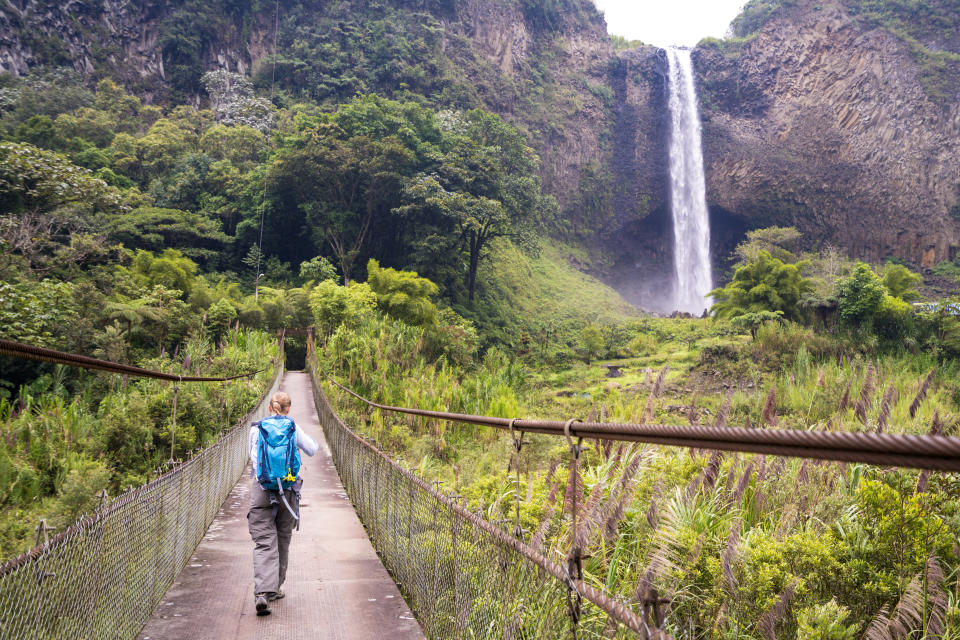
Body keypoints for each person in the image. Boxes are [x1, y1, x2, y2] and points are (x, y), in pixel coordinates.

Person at [247, 391, 318, 616]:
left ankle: (262, 593)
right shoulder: (292, 428)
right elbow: (313, 449)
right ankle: (275, 588)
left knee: (264, 542)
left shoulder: (256, 429)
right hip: (287, 491)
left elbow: (252, 458)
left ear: (270, 408)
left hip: (261, 491)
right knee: (282, 539)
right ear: (288, 409)